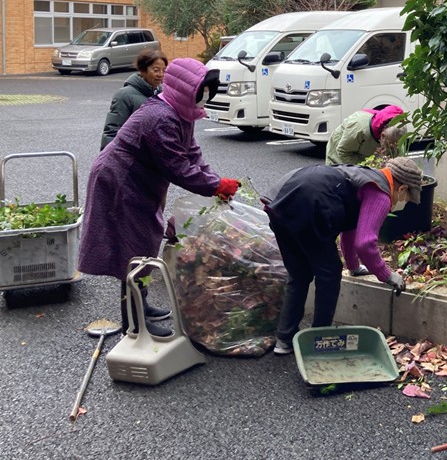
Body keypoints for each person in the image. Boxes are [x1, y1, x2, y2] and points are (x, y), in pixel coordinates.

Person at [78, 58, 241, 337]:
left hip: (137, 181)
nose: (205, 97)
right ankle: (134, 321)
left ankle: (140, 305)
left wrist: (215, 180)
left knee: (143, 245)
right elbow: (177, 166)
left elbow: (191, 153)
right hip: (119, 181)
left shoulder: (180, 112)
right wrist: (214, 186)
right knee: (131, 250)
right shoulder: (160, 117)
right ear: (185, 88)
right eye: (201, 91)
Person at [261, 156, 424, 355]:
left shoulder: (362, 178)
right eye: (406, 198)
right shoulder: (381, 193)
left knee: (300, 274)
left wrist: (354, 267)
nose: (403, 202)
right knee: (329, 273)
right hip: (308, 203)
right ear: (402, 188)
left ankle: (284, 340)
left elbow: (350, 231)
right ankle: (318, 339)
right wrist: (387, 275)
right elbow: (365, 243)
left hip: (281, 200)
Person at [100, 48, 168, 150]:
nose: (161, 75)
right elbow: (112, 132)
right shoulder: (124, 95)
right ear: (143, 70)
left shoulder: (163, 94)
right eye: (156, 70)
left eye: (164, 70)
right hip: (131, 157)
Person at [325, 106, 406, 166]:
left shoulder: (397, 135)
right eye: (390, 145)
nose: (392, 148)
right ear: (383, 135)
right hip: (339, 157)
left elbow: (397, 160)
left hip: (365, 161)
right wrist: (368, 168)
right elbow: (343, 153)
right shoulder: (358, 127)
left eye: (394, 146)